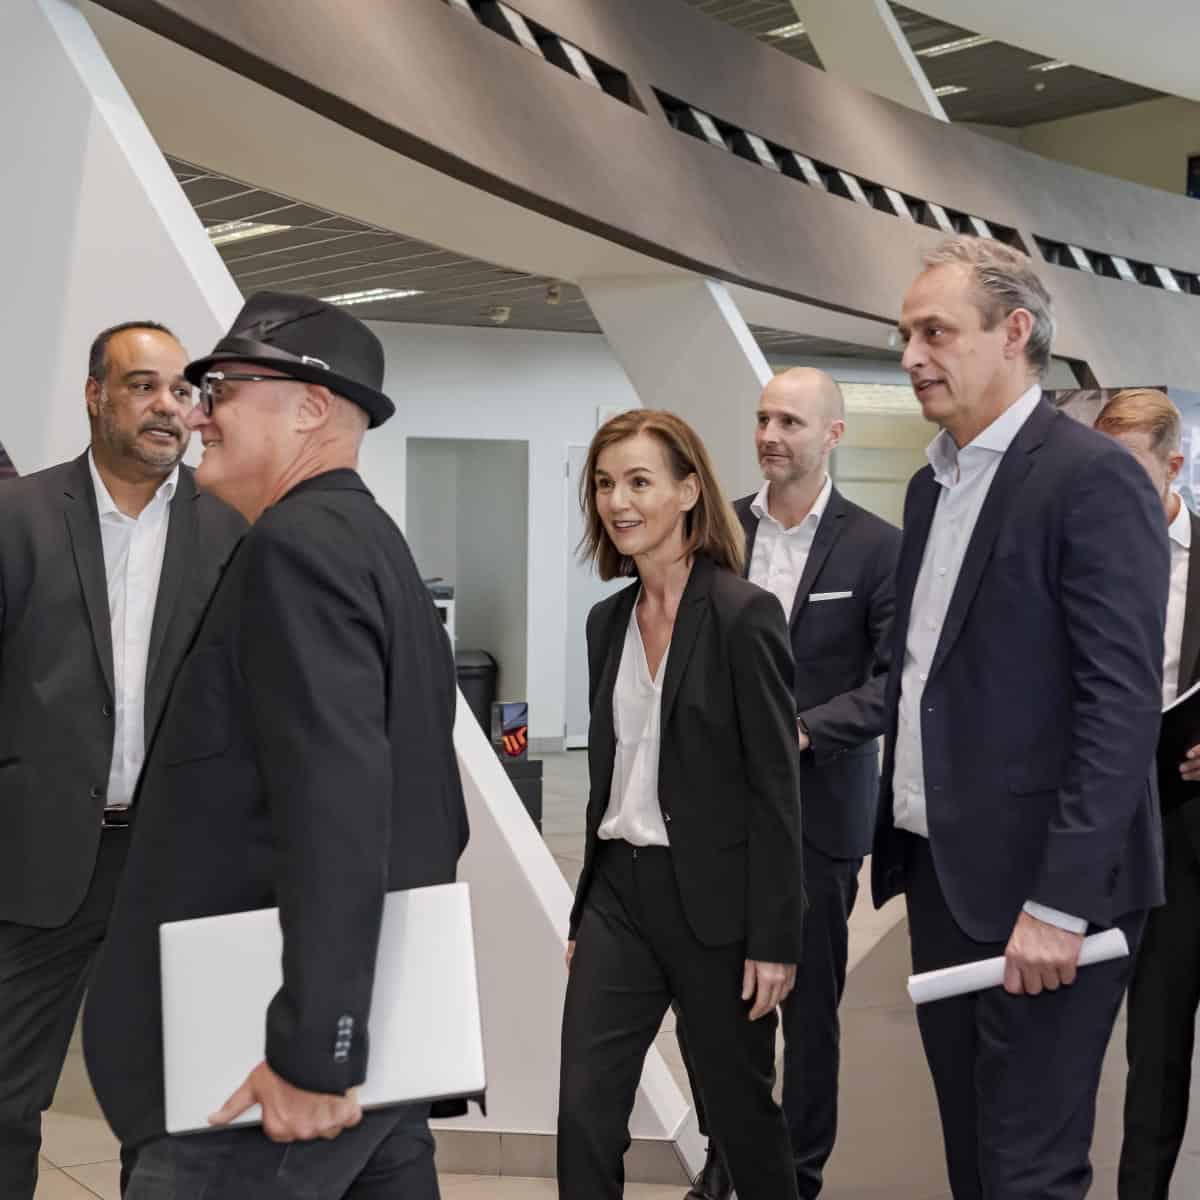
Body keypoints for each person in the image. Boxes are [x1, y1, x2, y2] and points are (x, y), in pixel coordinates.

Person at [82, 292, 470, 1199]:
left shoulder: (300, 548)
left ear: (310, 408)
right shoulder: (368, 542)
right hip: (372, 1053)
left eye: (220, 390)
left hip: (265, 1075)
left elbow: (338, 812)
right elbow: (428, 809)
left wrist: (313, 1050)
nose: (196, 415)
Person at [872, 236, 1169, 1199]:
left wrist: (1060, 904)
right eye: (906, 335)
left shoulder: (1091, 478)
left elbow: (1119, 706)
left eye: (935, 332)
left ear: (1014, 332)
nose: (911, 355)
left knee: (1027, 1173)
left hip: (1046, 893)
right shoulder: (931, 485)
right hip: (943, 875)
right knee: (974, 1161)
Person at [0, 320, 244, 1198]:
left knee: (173, 1106)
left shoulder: (231, 530)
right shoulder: (18, 518)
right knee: (4, 1095)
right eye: (143, 386)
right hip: (37, 860)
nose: (167, 406)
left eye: (182, 390)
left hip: (177, 864)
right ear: (95, 396)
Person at [557, 409, 804, 1200]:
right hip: (618, 896)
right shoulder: (607, 623)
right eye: (605, 484)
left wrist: (775, 939)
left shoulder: (742, 615)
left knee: (739, 1115)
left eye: (639, 481)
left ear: (690, 490)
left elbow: (776, 790)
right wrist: (584, 913)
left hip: (716, 906)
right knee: (585, 1111)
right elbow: (613, 777)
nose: (618, 502)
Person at [677, 368, 899, 1200]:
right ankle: (728, 1160)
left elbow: (894, 682)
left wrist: (802, 730)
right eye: (764, 418)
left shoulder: (877, 547)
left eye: (791, 422)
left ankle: (797, 1178)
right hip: (715, 816)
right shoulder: (716, 533)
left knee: (807, 1015)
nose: (770, 435)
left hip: (818, 815)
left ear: (833, 434)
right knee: (712, 1006)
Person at [1098, 390, 1200, 1199]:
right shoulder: (1077, 551)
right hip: (1109, 825)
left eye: (1128, 467)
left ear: (1174, 465)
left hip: (1193, 821)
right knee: (1150, 1048)